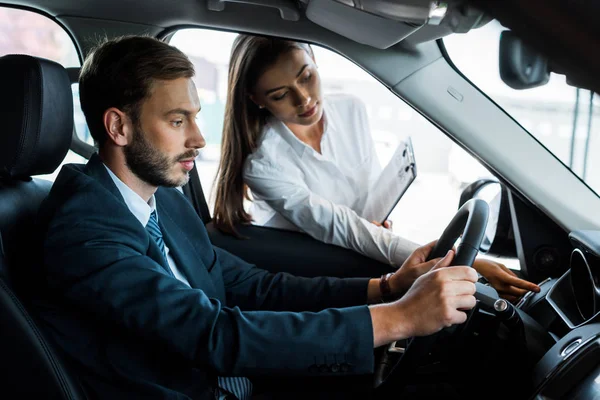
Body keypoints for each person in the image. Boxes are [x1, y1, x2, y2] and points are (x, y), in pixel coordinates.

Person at [34, 35, 479, 400]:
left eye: (194, 116)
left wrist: (386, 288)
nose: (199, 138)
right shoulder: (83, 232)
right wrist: (399, 318)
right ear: (119, 128)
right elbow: (213, 334)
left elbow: (251, 286)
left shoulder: (160, 199)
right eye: (177, 121)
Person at [213, 35, 540, 302]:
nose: (304, 100)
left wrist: (377, 222)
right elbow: (339, 225)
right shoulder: (262, 165)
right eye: (281, 95)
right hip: (320, 272)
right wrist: (458, 263)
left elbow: (365, 200)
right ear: (256, 99)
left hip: (365, 253)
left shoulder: (351, 109)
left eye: (307, 77)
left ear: (314, 58)